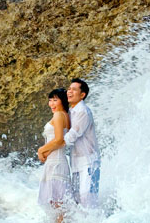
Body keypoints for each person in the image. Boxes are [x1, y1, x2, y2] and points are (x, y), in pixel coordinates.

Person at [39, 78, 101, 209]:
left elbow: (68, 138)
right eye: (69, 89)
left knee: (87, 200)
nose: (69, 91)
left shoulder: (83, 111)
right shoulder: (70, 112)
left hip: (88, 162)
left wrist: (45, 151)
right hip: (76, 162)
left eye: (74, 89)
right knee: (77, 201)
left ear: (82, 95)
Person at [37, 88, 71, 223]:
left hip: (56, 164)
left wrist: (41, 150)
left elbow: (59, 140)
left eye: (55, 100)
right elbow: (60, 141)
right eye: (50, 100)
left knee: (58, 206)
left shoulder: (58, 115)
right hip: (57, 162)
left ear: (63, 101)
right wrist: (47, 151)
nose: (51, 103)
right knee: (58, 206)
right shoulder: (65, 115)